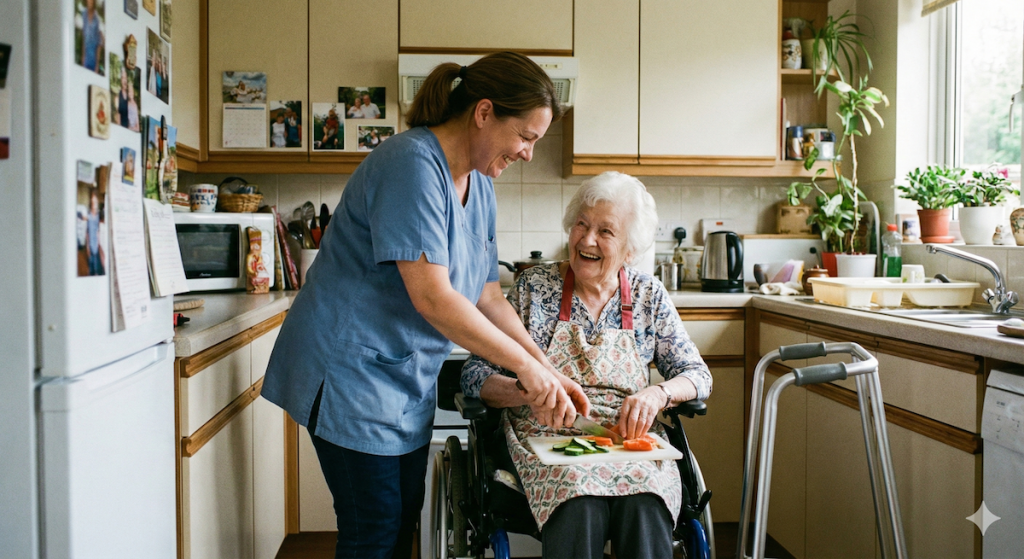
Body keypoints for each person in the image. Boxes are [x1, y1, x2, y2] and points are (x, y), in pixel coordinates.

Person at [261, 51, 580, 559]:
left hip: (403, 381)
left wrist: (546, 368)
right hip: (350, 377)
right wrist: (523, 365)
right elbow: (434, 297)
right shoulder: (410, 165)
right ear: (483, 112)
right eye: (525, 136)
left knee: (401, 523)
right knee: (374, 533)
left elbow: (487, 295)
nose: (528, 153)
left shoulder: (480, 182)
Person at [460, 171, 713, 559]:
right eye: (582, 224)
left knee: (645, 502)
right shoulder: (533, 288)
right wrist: (524, 391)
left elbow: (697, 375)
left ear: (630, 250)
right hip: (547, 436)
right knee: (579, 498)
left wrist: (658, 394)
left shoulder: (649, 296)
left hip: (629, 441)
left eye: (605, 231)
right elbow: (475, 374)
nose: (587, 239)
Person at [80, 0, 103, 73]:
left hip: (94, 55)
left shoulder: (97, 19)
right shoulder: (84, 14)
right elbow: (84, 36)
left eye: (92, 1)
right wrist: (83, 56)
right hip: (86, 54)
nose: (90, 2)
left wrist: (97, 64)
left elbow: (100, 43)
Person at [85, 189, 104, 276]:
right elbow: (87, 232)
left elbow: (101, 231)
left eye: (95, 201)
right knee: (91, 270)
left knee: (99, 270)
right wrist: (88, 246)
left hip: (99, 247)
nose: (94, 203)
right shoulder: (88, 216)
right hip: (91, 247)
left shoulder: (99, 216)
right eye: (92, 201)